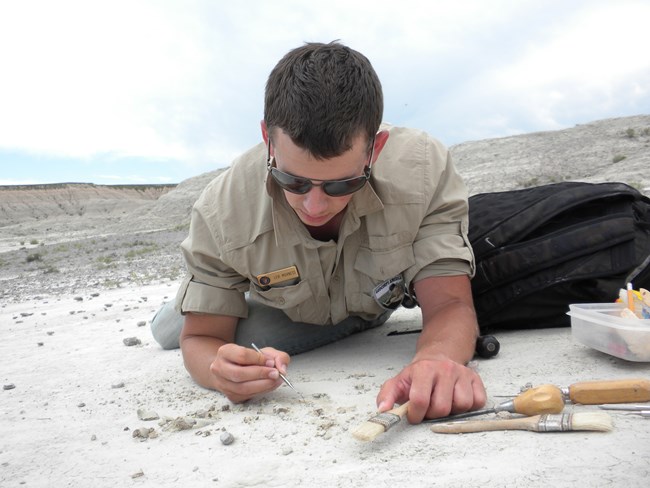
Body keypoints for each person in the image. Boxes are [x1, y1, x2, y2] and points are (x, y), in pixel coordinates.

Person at [151, 41, 486, 424]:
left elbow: (449, 305)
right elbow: (200, 339)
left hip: (364, 307)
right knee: (170, 331)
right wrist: (219, 369)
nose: (314, 206)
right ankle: (183, 300)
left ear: (374, 150)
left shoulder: (423, 171)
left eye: (341, 185)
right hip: (288, 307)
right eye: (291, 181)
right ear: (268, 141)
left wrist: (436, 360)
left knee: (229, 337)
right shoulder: (222, 209)